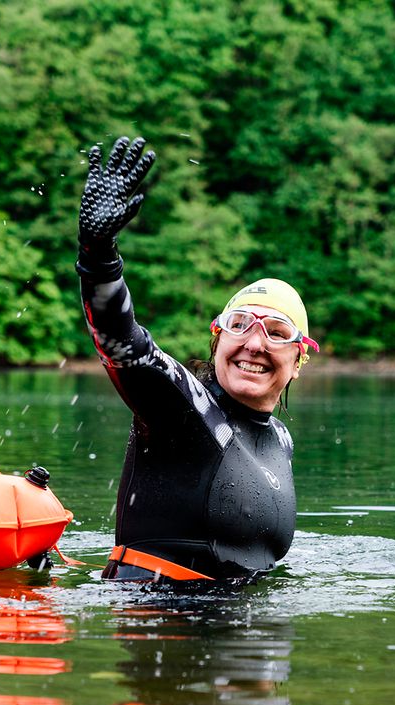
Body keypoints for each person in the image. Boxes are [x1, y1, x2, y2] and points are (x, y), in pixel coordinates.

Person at [76, 136, 319, 582]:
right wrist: (98, 257)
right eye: (240, 324)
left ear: (299, 359)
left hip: (241, 634)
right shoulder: (185, 408)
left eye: (277, 332)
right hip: (167, 631)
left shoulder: (281, 440)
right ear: (217, 338)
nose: (255, 343)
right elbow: (122, 340)